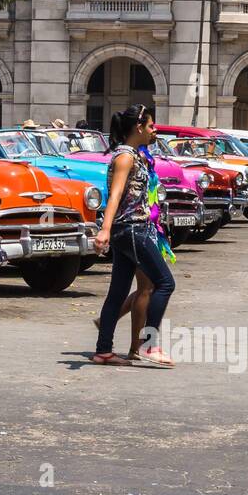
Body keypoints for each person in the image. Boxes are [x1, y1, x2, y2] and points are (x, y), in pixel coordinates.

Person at [91, 104, 176, 367]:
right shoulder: (125, 158)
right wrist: (104, 230)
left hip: (130, 230)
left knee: (117, 293)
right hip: (131, 229)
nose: (155, 130)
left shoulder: (134, 155)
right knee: (165, 283)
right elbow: (114, 195)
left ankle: (103, 351)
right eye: (151, 125)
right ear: (138, 127)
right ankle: (149, 346)